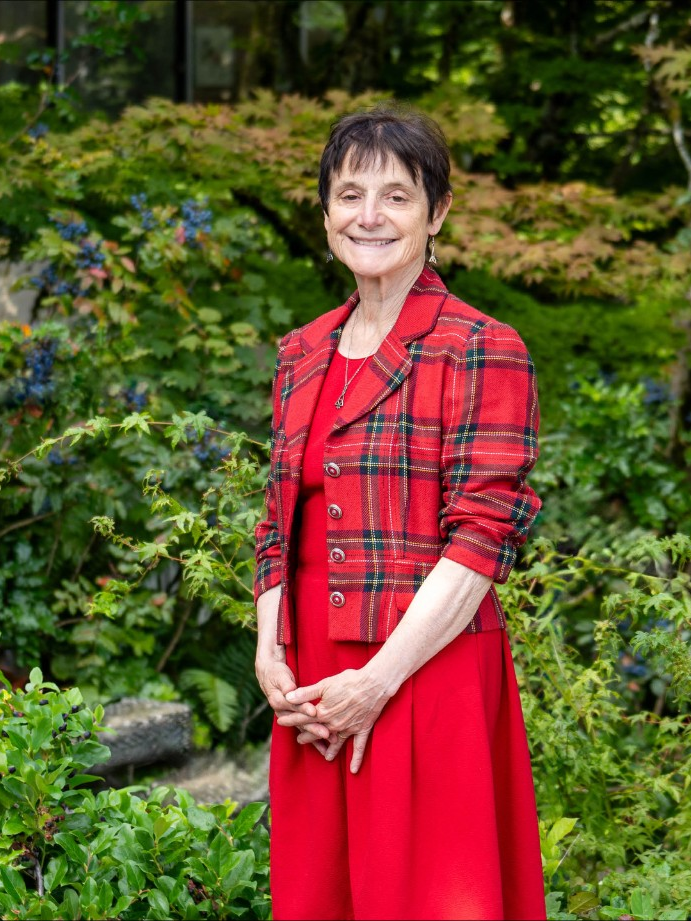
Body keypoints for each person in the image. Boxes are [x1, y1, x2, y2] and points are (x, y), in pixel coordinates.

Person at [254, 104, 546, 921]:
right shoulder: (301, 351)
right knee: (320, 898)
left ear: (436, 213)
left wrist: (377, 681)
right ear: (324, 213)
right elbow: (275, 524)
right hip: (313, 683)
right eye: (349, 195)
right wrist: (269, 654)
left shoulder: (480, 346)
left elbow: (483, 535)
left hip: (425, 670)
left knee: (429, 897)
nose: (369, 216)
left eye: (396, 196)